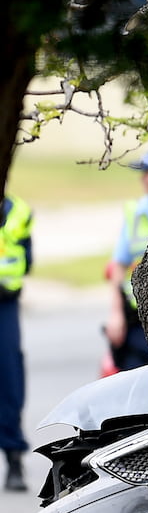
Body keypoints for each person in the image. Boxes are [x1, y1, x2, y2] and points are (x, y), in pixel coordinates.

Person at [105, 146, 148, 371]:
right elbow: (118, 266)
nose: (143, 178)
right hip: (138, 321)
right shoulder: (135, 213)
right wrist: (116, 313)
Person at [1, 194, 33, 491]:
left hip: (4, 304)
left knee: (9, 380)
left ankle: (13, 458)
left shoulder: (19, 213)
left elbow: (26, 260)